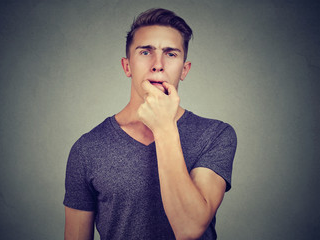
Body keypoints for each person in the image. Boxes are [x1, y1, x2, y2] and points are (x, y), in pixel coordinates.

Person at [64, 8, 237, 240]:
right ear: (127, 66)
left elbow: (189, 228)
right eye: (145, 52)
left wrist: (164, 126)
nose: (158, 64)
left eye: (171, 54)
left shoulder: (215, 135)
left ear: (184, 70)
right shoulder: (87, 149)